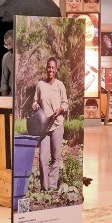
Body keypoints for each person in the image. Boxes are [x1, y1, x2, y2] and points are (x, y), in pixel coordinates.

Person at [34, 57, 69, 192]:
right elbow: (35, 101)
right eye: (49, 67)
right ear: (46, 68)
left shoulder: (60, 85)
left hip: (57, 125)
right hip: (44, 127)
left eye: (53, 67)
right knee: (43, 159)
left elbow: (65, 104)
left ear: (56, 69)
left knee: (56, 157)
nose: (51, 70)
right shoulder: (40, 85)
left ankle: (52, 187)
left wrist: (60, 109)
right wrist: (35, 105)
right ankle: (45, 188)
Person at [0, 30, 14, 97]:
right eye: (6, 45)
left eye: (10, 44)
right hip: (12, 97)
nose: (9, 47)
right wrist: (4, 100)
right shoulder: (6, 57)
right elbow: (4, 82)